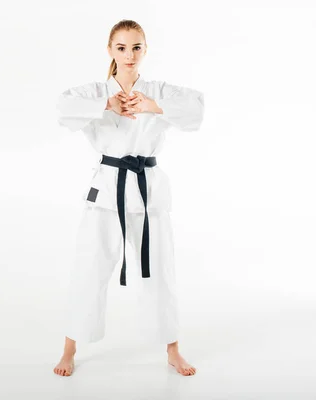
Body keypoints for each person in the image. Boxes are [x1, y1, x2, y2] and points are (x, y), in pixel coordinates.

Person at [53, 19, 204, 377]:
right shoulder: (94, 92)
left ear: (145, 49)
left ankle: (172, 349)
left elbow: (196, 109)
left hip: (148, 191)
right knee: (89, 267)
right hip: (106, 189)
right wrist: (107, 105)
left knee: (161, 271)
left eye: (136, 47)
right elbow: (62, 109)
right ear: (110, 50)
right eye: (121, 47)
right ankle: (69, 348)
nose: (129, 55)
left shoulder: (157, 90)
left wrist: (154, 106)